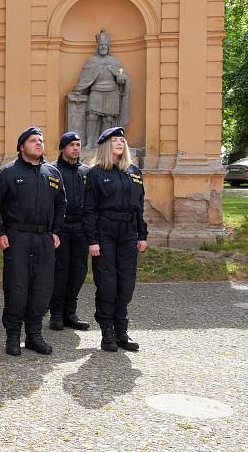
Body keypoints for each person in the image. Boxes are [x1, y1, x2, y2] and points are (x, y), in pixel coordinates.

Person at [0, 127, 66, 357]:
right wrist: (0, 233)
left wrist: (55, 231)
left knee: (42, 288)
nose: (39, 144)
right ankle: (13, 336)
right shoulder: (8, 173)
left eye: (41, 140)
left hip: (43, 239)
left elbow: (62, 203)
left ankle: (34, 335)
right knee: (17, 288)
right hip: (17, 237)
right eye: (33, 140)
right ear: (21, 146)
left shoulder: (52, 172)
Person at [83, 127, 147, 352]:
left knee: (126, 285)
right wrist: (92, 240)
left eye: (122, 140)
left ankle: (122, 331)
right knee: (108, 285)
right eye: (115, 140)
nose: (120, 143)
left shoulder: (134, 172)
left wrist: (142, 234)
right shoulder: (96, 173)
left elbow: (139, 206)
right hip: (105, 232)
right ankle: (107, 332)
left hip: (128, 233)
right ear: (105, 146)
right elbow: (89, 210)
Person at [49, 132, 91, 331]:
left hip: (81, 228)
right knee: (60, 271)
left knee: (79, 271)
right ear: (63, 147)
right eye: (72, 145)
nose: (76, 148)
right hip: (61, 228)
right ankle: (56, 313)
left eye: (78, 144)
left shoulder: (87, 172)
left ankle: (70, 312)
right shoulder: (52, 170)